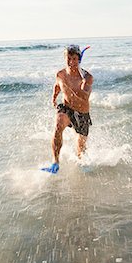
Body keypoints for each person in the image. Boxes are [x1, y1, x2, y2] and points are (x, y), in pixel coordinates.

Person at [41, 45, 93, 174]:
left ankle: (81, 162)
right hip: (66, 108)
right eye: (68, 58)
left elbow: (85, 97)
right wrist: (54, 98)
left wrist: (78, 89)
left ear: (79, 59)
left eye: (74, 58)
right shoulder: (60, 74)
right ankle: (55, 162)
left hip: (82, 113)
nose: (71, 62)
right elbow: (57, 86)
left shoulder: (87, 77)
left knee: (81, 148)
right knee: (58, 125)